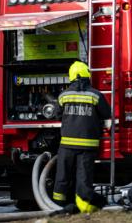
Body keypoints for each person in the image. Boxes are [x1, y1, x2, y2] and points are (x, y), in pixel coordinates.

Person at [52, 61, 111, 214]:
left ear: (71, 77)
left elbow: (57, 115)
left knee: (62, 176)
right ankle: (83, 206)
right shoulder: (95, 95)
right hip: (88, 147)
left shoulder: (63, 96)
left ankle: (58, 206)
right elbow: (106, 115)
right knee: (84, 178)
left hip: (66, 146)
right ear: (87, 75)